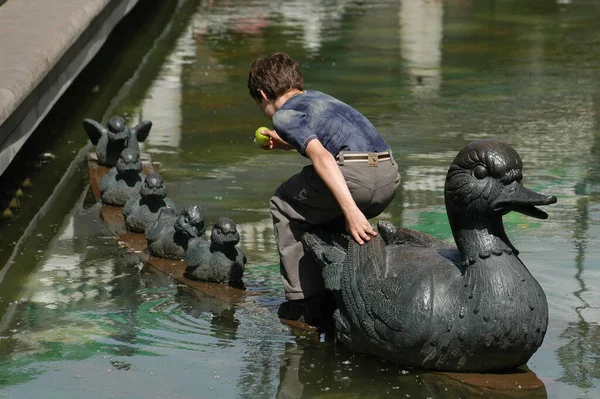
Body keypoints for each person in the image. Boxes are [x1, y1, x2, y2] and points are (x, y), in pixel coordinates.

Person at [248, 52, 401, 328]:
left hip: (357, 180)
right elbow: (336, 141)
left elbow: (322, 157)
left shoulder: (284, 115)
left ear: (262, 94)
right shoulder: (319, 98)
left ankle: (304, 303)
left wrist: (351, 211)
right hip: (389, 175)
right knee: (320, 210)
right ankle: (340, 287)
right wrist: (287, 144)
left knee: (283, 203)